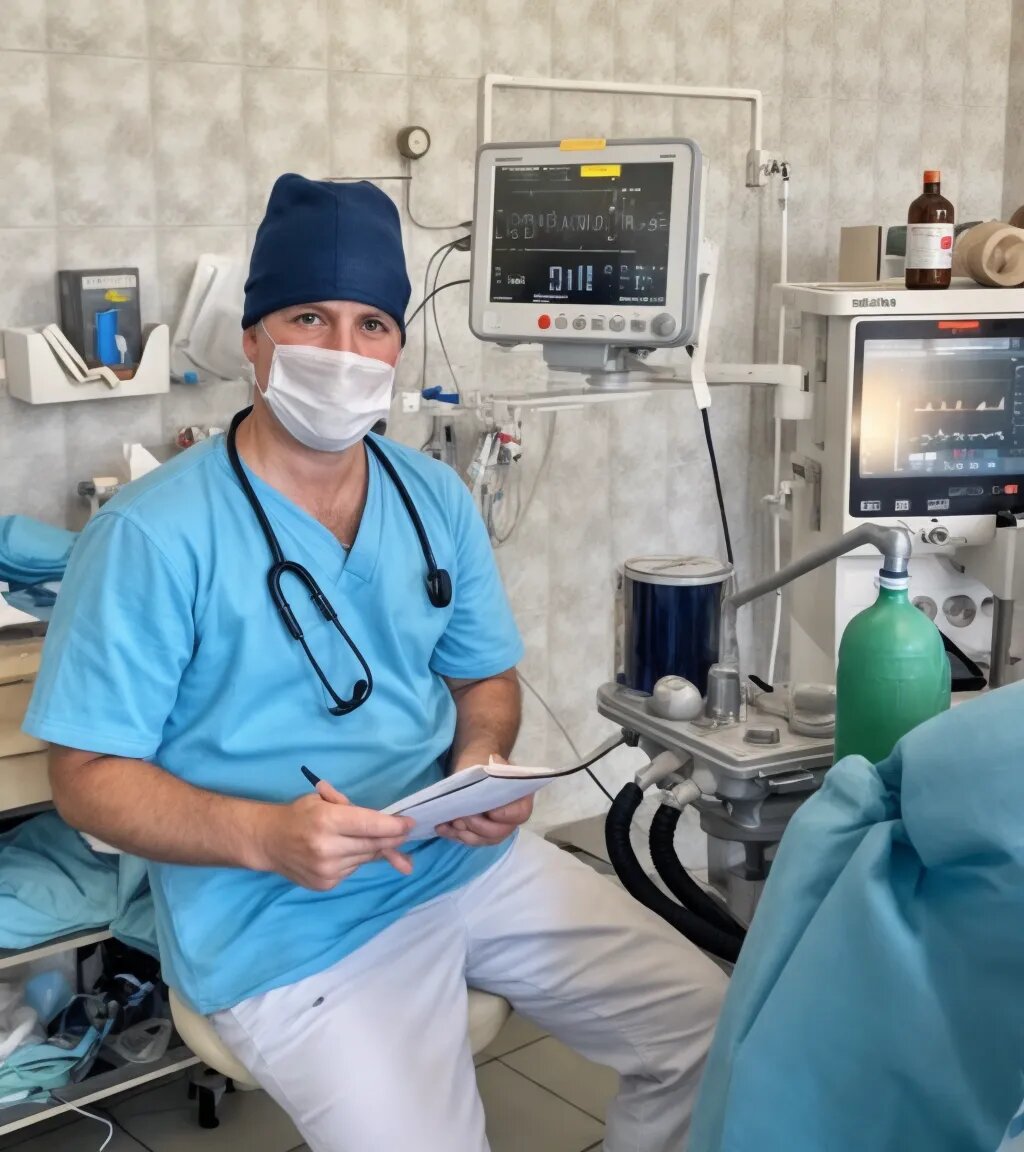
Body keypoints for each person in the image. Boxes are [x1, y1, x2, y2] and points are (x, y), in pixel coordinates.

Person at [24, 173, 726, 1152]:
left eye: (372, 325)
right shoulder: (151, 535)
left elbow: (483, 679)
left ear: (398, 344)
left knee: (712, 1031)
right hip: (278, 917)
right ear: (254, 339)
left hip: (462, 862)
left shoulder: (433, 499)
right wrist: (268, 836)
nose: (343, 352)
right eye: (309, 318)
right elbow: (87, 778)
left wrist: (480, 762)